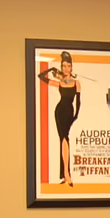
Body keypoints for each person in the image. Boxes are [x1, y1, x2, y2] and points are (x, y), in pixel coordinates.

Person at [37, 51, 80, 187]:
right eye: (63, 66)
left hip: (69, 111)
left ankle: (65, 174)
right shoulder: (60, 82)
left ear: (71, 67)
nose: (65, 69)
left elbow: (78, 101)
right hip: (59, 111)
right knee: (64, 139)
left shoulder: (76, 82)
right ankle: (66, 175)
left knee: (65, 140)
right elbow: (41, 76)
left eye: (68, 66)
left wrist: (76, 116)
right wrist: (51, 69)